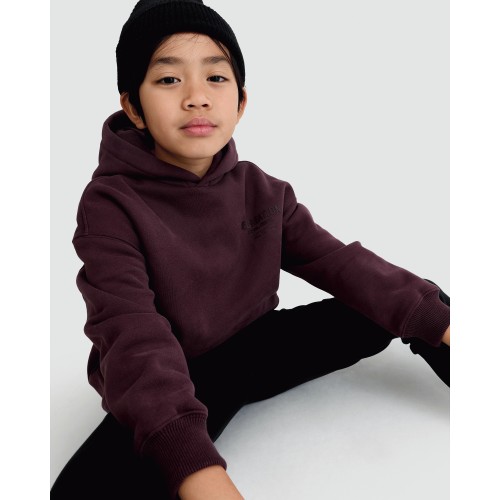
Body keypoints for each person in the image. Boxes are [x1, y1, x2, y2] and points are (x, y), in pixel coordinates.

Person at [51, 0, 450, 498]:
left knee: (413, 299)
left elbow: (341, 264)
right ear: (133, 106)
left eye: (216, 78)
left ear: (240, 102)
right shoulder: (109, 206)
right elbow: (133, 335)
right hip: (172, 376)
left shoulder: (261, 189)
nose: (197, 98)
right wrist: (197, 468)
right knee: (81, 491)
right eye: (169, 79)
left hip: (257, 348)